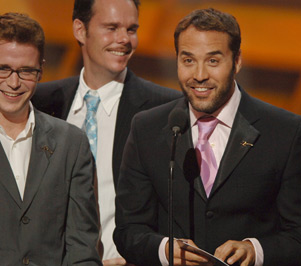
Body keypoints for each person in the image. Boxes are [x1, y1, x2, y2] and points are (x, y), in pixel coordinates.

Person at [114, 8, 301, 266]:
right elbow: (128, 230)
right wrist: (164, 249)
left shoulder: (285, 132)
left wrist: (255, 250)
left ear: (237, 61)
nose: (199, 75)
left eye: (213, 61)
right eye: (188, 60)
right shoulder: (147, 128)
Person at [31, 0, 182, 265]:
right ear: (80, 29)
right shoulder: (40, 103)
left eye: (131, 29)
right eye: (111, 27)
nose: (124, 39)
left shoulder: (167, 110)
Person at [0, 12, 101, 265]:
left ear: (41, 71)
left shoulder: (71, 143)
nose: (13, 82)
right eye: (3, 69)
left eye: (25, 71)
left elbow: (82, 248)